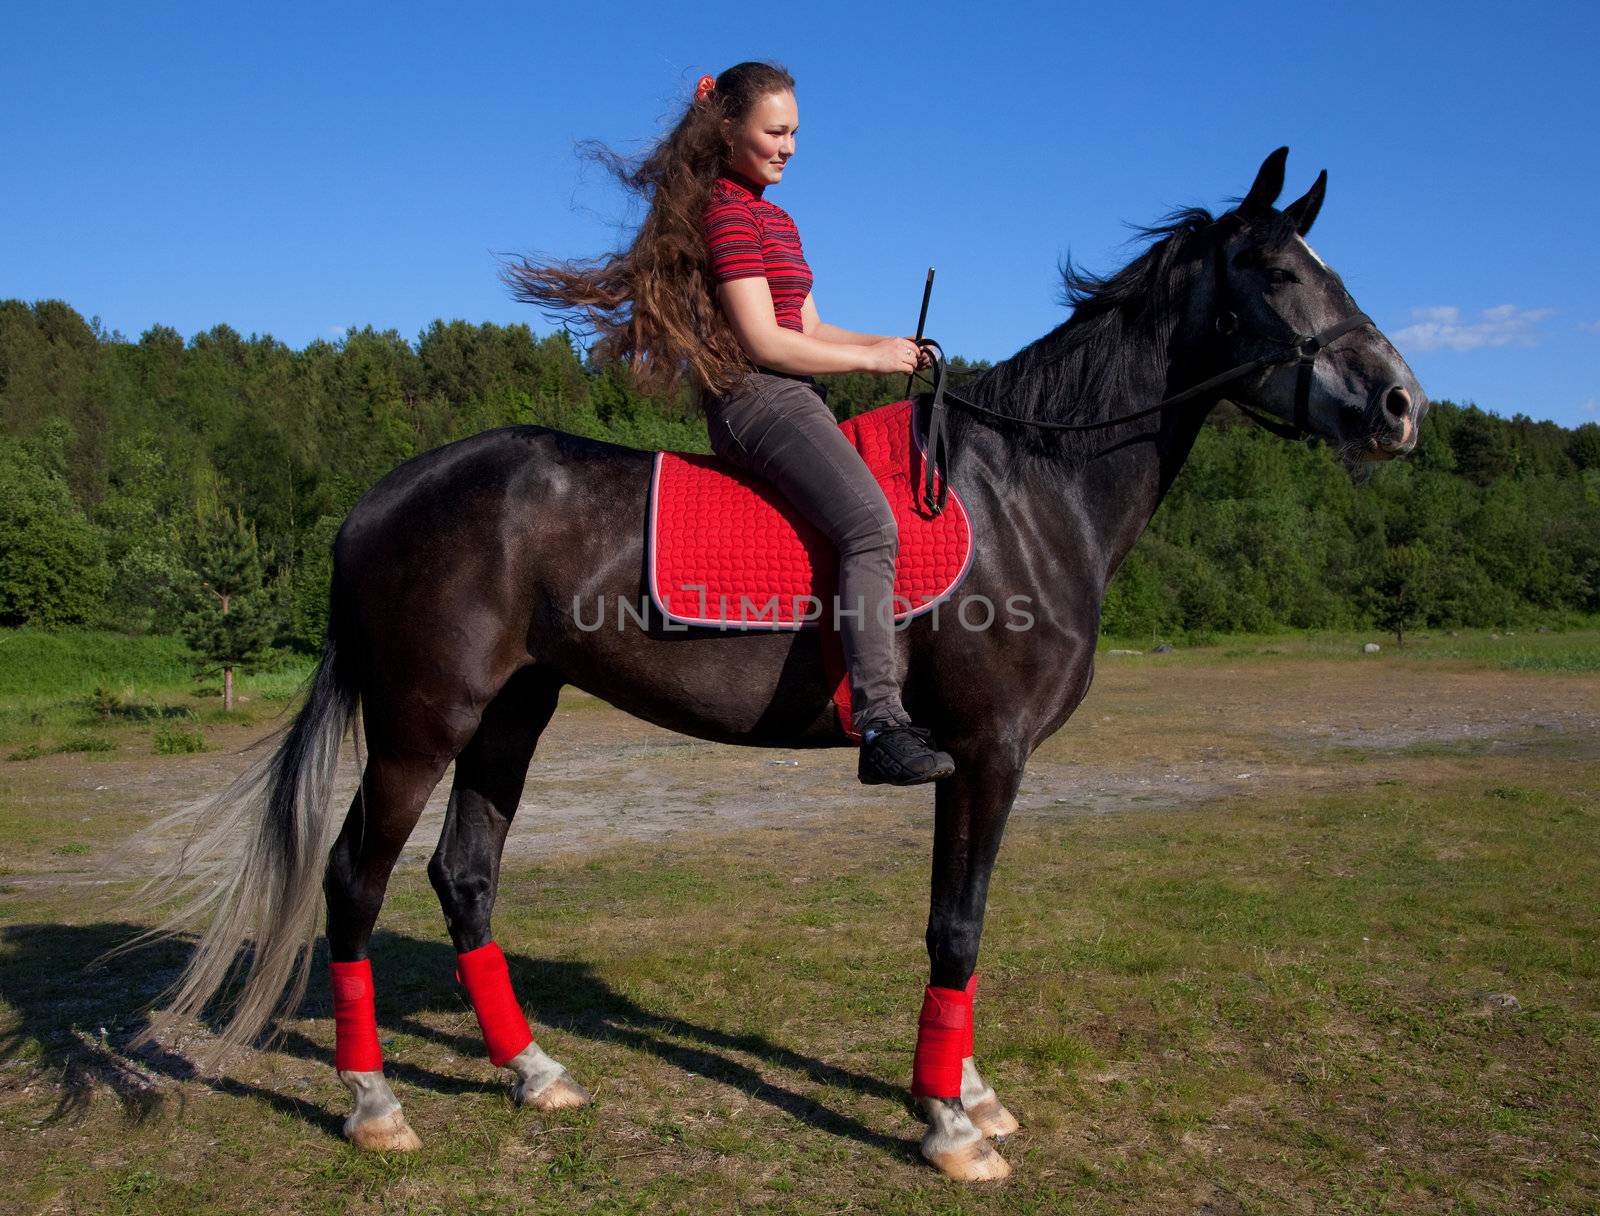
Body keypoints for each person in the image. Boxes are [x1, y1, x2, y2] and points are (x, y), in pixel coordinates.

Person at [501, 59, 955, 786]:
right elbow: (764, 343)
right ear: (727, 127)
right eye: (775, 131)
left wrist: (887, 345)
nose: (789, 147)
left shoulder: (775, 218)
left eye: (796, 133)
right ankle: (881, 722)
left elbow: (807, 323)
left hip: (796, 395)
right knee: (871, 525)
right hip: (756, 399)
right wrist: (873, 367)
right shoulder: (724, 212)